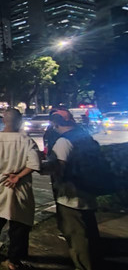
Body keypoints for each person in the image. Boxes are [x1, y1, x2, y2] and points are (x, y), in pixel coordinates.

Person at [0, 108, 42, 270]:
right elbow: (35, 164)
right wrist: (18, 176)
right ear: (20, 121)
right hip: (20, 188)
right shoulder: (26, 141)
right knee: (20, 224)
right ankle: (14, 260)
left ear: (3, 120)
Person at [41, 109, 100, 270]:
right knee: (91, 234)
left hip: (71, 197)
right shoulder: (84, 137)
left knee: (77, 237)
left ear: (54, 123)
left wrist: (39, 165)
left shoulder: (63, 142)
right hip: (88, 191)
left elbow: (58, 168)